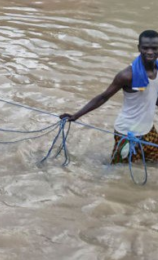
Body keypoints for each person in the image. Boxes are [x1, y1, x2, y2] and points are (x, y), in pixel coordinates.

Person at [60, 30, 158, 163]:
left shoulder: (157, 69)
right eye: (146, 48)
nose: (150, 52)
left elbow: (152, 96)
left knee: (154, 162)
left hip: (148, 129)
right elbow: (103, 97)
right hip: (128, 133)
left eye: (154, 48)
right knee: (118, 170)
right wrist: (76, 115)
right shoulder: (127, 75)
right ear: (139, 48)